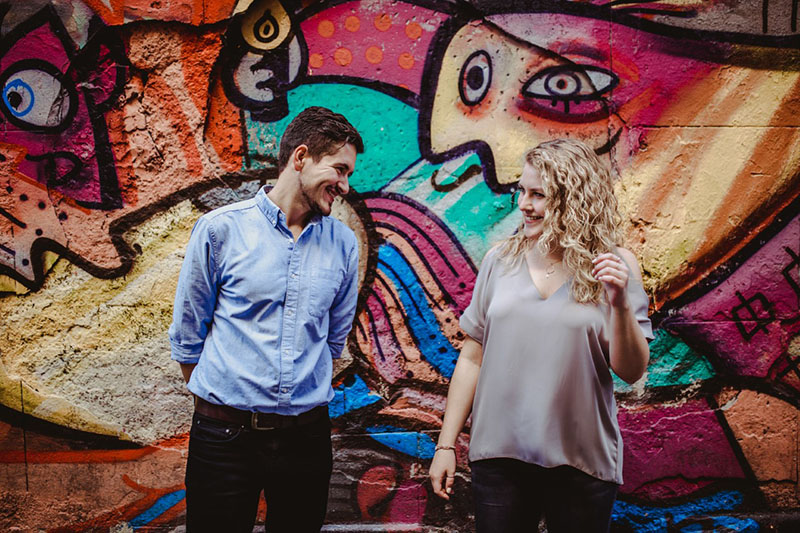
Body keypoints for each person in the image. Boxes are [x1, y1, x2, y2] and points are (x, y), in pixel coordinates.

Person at [429, 138, 653, 533]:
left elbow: (631, 371)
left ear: (574, 201)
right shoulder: (501, 260)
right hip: (499, 458)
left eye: (538, 195)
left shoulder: (614, 265)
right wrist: (446, 445)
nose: (524, 205)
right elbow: (471, 357)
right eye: (522, 191)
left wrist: (618, 304)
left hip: (581, 461)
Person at [168, 106, 364, 532]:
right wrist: (226, 400)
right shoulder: (220, 230)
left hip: (305, 441)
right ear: (301, 157)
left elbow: (334, 340)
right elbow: (188, 337)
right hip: (223, 439)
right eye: (339, 169)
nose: (346, 186)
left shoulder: (344, 245)